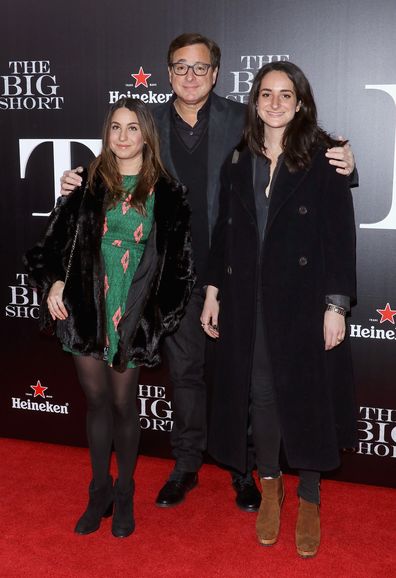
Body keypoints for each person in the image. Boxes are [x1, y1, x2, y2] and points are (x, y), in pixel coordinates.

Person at [59, 33, 357, 513]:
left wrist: (347, 161)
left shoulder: (245, 115)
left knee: (239, 376)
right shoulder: (148, 120)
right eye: (181, 67)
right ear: (168, 73)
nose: (191, 76)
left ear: (216, 73)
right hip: (168, 275)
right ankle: (186, 465)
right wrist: (78, 179)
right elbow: (115, 160)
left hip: (234, 273)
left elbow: (296, 146)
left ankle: (244, 472)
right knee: (186, 376)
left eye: (201, 68)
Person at [200, 61, 357, 558]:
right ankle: (271, 484)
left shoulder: (326, 155)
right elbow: (225, 231)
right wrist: (212, 291)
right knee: (261, 394)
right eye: (265, 94)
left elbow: (339, 235)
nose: (274, 103)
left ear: (300, 102)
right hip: (248, 297)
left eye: (285, 95)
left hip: (304, 299)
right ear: (255, 101)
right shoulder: (238, 158)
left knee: (306, 395)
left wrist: (336, 304)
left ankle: (308, 496)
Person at [24, 98, 195, 538]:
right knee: (96, 402)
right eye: (115, 127)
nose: (122, 136)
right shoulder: (85, 182)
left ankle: (124, 491)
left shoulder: (169, 192)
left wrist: (155, 319)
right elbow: (51, 247)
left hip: (133, 311)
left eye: (132, 128)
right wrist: (55, 283)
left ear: (146, 135)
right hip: (86, 307)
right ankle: (98, 490)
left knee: (123, 404)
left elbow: (180, 269)